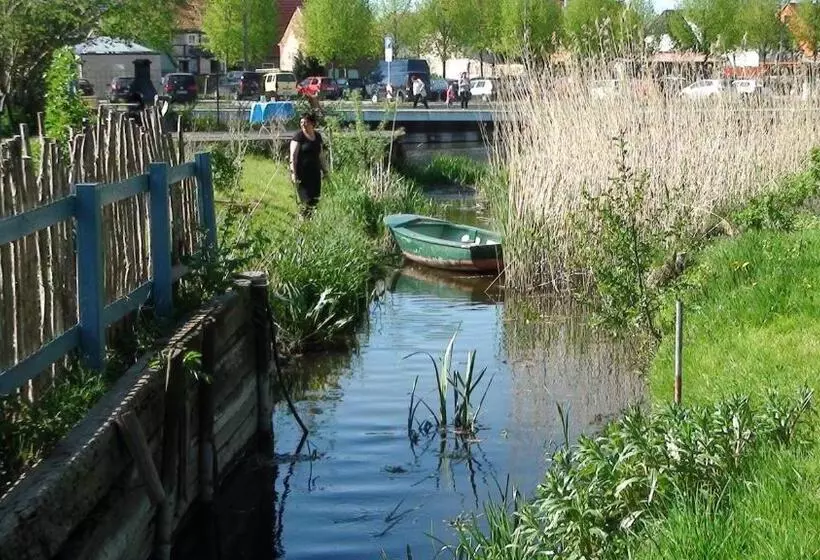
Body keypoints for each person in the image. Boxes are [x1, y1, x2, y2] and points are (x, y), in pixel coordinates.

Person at [289, 112, 328, 218]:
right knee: (305, 201)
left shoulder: (318, 136)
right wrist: (293, 174)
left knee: (315, 200)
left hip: (315, 174)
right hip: (302, 175)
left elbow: (321, 155)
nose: (303, 124)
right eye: (301, 122)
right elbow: (293, 157)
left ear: (312, 123)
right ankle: (302, 222)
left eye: (305, 122)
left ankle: (311, 224)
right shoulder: (298, 137)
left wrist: (325, 170)